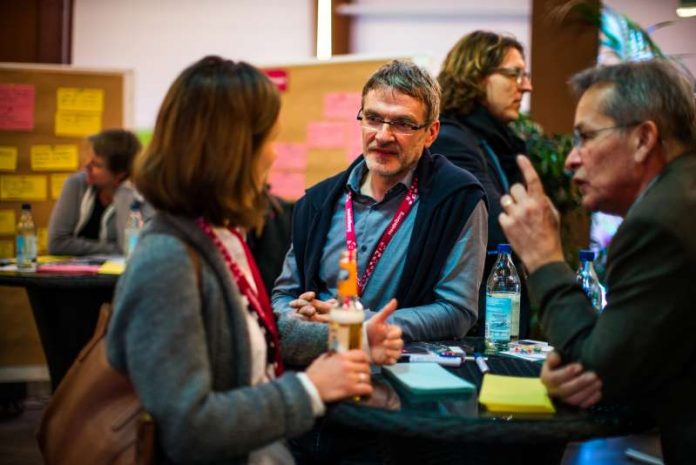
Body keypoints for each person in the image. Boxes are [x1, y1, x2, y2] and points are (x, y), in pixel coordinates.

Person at [106, 56, 403, 465]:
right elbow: (189, 428)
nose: (273, 157)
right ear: (232, 151)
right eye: (268, 141)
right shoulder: (167, 260)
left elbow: (251, 331)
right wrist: (310, 390)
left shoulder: (219, 235)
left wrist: (349, 338)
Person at [498, 60, 696, 464]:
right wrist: (589, 374)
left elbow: (596, 370)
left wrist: (543, 256)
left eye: (585, 137)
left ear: (643, 139)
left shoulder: (659, 222)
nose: (571, 159)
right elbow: (649, 363)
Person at [272, 59, 487, 342]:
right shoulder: (317, 202)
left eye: (403, 124)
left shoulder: (457, 198)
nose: (383, 136)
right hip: (321, 364)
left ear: (431, 133)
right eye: (373, 119)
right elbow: (283, 296)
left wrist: (359, 323)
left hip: (403, 368)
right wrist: (295, 316)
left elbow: (456, 311)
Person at [430, 30, 533, 336]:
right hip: (472, 326)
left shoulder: (495, 142)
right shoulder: (451, 139)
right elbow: (503, 227)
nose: (526, 86)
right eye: (514, 74)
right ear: (475, 77)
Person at [48, 128, 146, 255]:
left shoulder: (137, 195)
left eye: (96, 164)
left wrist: (124, 194)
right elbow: (57, 244)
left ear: (120, 175)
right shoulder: (76, 184)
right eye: (89, 158)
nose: (86, 166)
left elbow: (130, 248)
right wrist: (113, 249)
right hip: (73, 272)